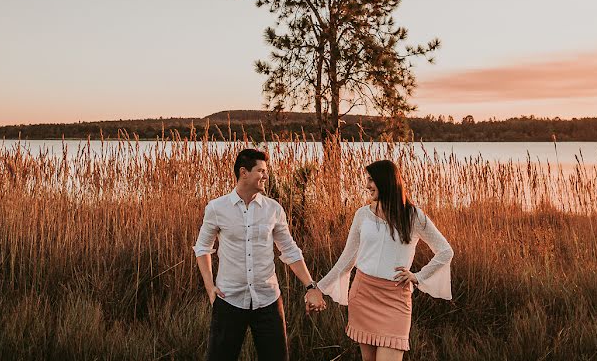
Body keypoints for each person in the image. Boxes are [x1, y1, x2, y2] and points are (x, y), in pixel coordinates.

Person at [194, 148, 326, 361]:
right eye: (261, 171)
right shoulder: (217, 208)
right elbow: (202, 248)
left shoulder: (273, 209)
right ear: (244, 172)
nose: (266, 176)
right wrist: (210, 288)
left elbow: (290, 250)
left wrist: (311, 286)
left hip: (268, 301)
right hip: (229, 300)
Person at [316, 159, 454, 360]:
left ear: (386, 181)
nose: (367, 185)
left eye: (371, 180)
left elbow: (445, 251)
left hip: (395, 300)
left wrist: (418, 276)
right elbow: (347, 259)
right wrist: (318, 288)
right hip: (363, 294)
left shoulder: (413, 216)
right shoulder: (362, 215)